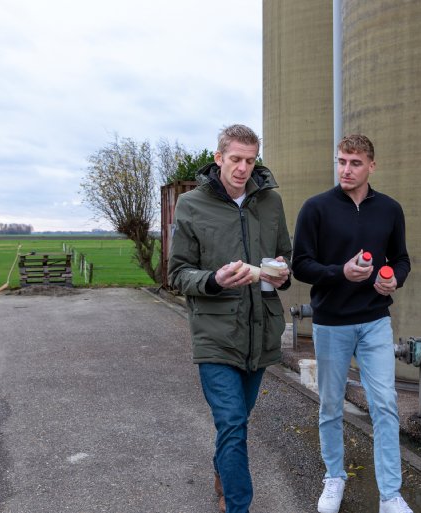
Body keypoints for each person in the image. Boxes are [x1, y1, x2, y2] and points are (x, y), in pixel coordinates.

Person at [168, 124, 292, 513]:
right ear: (219, 158)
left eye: (250, 160)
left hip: (260, 333)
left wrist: (283, 273)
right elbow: (177, 274)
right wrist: (215, 280)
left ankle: (223, 469)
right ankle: (238, 506)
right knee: (234, 424)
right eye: (235, 159)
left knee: (235, 425)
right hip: (215, 334)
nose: (242, 168)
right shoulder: (191, 205)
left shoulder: (270, 202)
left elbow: (285, 258)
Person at [291, 134, 413, 513]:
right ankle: (334, 477)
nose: (346, 169)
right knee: (330, 405)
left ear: (371, 166)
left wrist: (394, 279)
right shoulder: (316, 208)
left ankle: (390, 495)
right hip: (331, 323)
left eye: (354, 163)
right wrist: (340, 272)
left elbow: (402, 259)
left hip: (375, 320)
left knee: (385, 406)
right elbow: (301, 266)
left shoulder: (390, 209)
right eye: (341, 161)